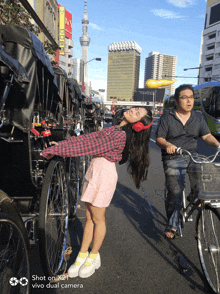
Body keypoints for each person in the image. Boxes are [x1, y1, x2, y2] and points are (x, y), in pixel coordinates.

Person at [40, 107, 153, 278]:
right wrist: (62, 145)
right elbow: (87, 138)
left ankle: (94, 255)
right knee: (90, 218)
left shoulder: (120, 135)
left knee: (98, 219)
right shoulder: (115, 130)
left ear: (137, 125)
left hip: (103, 176)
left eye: (137, 114)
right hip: (94, 173)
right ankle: (82, 255)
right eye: (135, 109)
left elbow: (87, 146)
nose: (133, 111)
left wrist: (58, 149)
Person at [155, 84, 220, 239]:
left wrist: (217, 144)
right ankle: (173, 225)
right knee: (175, 192)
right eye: (184, 97)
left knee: (209, 173)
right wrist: (167, 145)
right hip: (173, 157)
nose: (189, 101)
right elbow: (159, 139)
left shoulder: (198, 117)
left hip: (193, 155)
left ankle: (195, 196)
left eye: (191, 97)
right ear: (177, 101)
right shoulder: (167, 117)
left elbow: (206, 136)